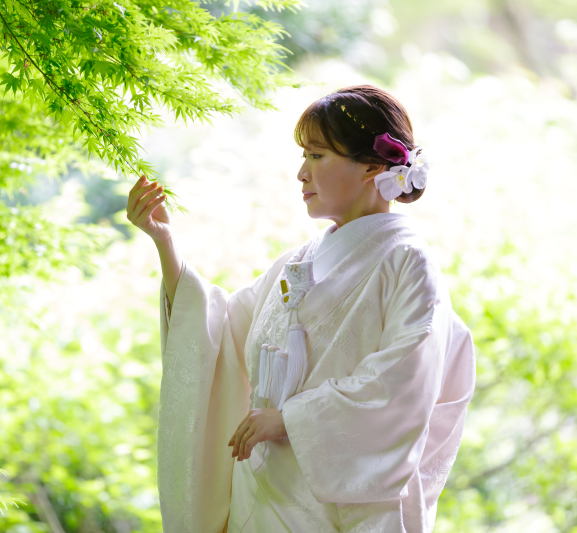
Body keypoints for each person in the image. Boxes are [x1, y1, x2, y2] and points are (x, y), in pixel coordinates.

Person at [125, 84, 476, 533]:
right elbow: (225, 332)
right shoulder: (298, 262)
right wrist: (165, 243)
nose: (301, 174)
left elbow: (404, 382)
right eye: (304, 156)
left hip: (339, 508)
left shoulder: (407, 262)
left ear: (371, 167)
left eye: (317, 156)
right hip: (265, 491)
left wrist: (291, 419)